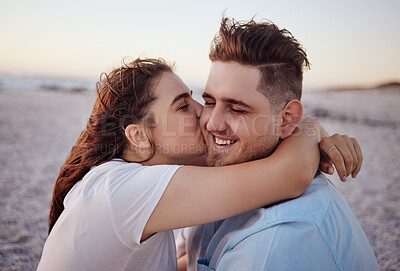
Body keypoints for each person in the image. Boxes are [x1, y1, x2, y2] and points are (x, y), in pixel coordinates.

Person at [37, 58, 360, 271]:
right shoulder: (121, 191)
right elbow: (289, 174)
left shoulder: (139, 175)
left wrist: (296, 127)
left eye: (196, 99)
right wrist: (310, 129)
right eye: (182, 106)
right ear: (138, 136)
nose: (203, 114)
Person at [177, 18, 379, 271]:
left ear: (286, 120)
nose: (212, 124)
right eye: (209, 102)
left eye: (237, 109)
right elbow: (191, 261)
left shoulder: (275, 244)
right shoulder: (219, 173)